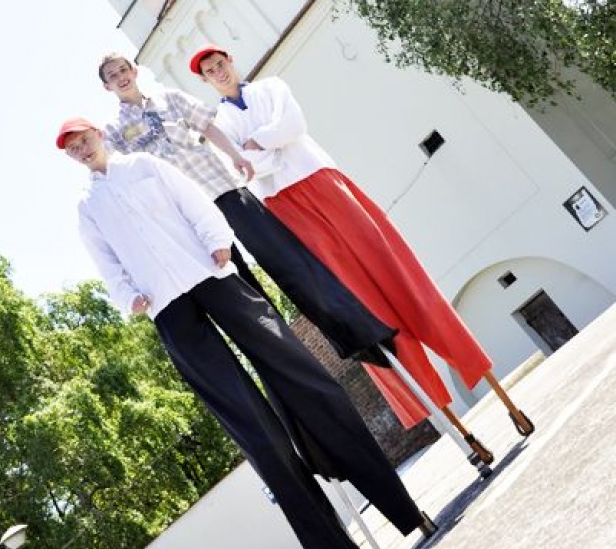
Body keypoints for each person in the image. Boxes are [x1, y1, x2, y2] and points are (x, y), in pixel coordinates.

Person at [56, 117, 435, 549]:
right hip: (168, 310)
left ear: (98, 134)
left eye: (84, 139)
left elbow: (194, 204)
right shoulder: (87, 207)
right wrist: (127, 294)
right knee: (255, 432)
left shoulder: (146, 166)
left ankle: (401, 506)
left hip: (213, 277)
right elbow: (105, 262)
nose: (81, 149)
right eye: (72, 148)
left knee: (304, 379)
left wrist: (219, 243)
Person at [190, 46, 500, 432]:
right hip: (284, 205)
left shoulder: (270, 87)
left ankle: (468, 359)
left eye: (220, 64)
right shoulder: (221, 122)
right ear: (204, 80)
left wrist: (259, 144)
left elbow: (293, 127)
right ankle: (433, 405)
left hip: (322, 180)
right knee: (358, 300)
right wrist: (264, 145)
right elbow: (248, 167)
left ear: (230, 62)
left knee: (393, 266)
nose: (218, 72)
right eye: (209, 71)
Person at [98, 53, 418, 377]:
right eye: (113, 75)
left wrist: (235, 156)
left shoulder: (169, 98)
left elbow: (208, 126)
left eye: (124, 69)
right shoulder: (112, 132)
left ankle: (355, 332)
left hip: (219, 188)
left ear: (134, 71)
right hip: (187, 220)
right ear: (107, 86)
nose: (121, 76)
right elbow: (121, 177)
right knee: (246, 295)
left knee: (286, 259)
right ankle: (290, 367)